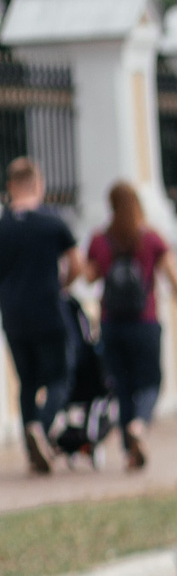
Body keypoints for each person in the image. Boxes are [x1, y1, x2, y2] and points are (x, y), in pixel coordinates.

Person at [83, 179, 177, 471]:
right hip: (145, 323)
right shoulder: (150, 239)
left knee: (122, 388)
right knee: (151, 382)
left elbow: (89, 277)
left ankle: (129, 452)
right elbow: (172, 275)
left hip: (112, 325)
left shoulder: (100, 240)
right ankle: (139, 427)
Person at [0, 156, 77, 474]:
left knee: (27, 382)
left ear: (10, 188)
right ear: (38, 184)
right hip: (47, 310)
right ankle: (41, 431)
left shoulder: (2, 227)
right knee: (60, 376)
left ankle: (33, 451)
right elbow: (78, 264)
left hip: (13, 315)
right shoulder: (53, 223)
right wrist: (62, 284)